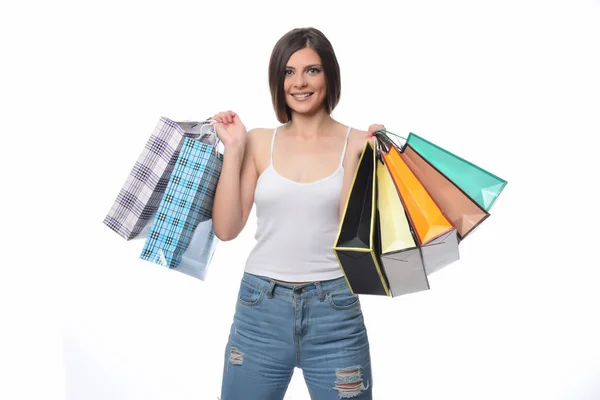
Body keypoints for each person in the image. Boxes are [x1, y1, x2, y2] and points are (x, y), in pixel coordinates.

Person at [211, 27, 385, 400]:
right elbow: (226, 229)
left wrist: (368, 159)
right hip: (260, 309)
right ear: (278, 80)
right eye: (289, 72)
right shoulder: (258, 141)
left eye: (312, 70)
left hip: (335, 310)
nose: (300, 83)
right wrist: (235, 148)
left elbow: (351, 235)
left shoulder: (357, 142)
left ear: (329, 76)